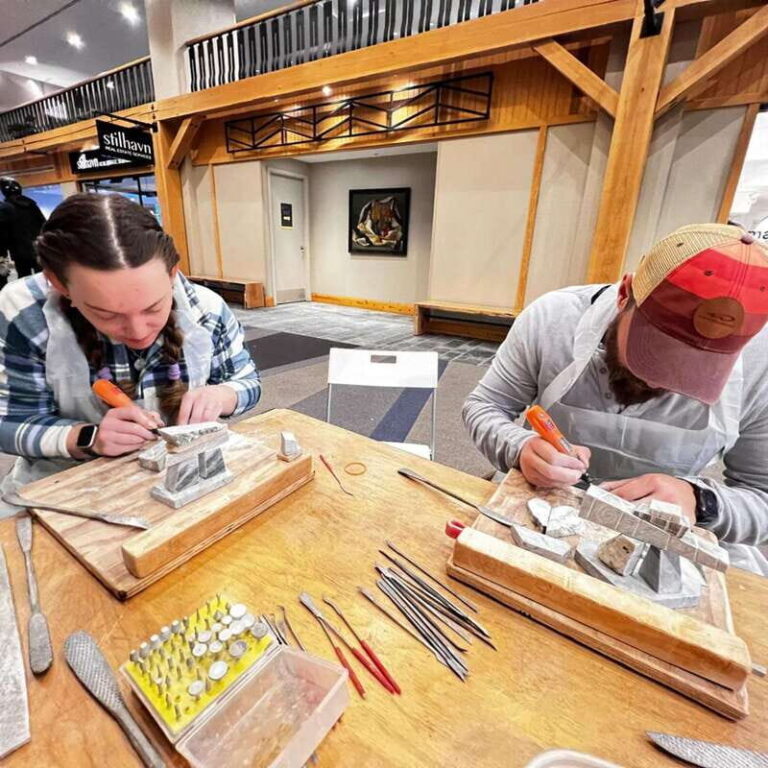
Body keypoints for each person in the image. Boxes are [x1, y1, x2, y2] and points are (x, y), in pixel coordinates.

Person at [463, 223, 768, 574]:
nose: (661, 380)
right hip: (546, 508)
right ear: (625, 294)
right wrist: (519, 446)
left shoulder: (760, 366)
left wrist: (702, 501)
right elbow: (484, 406)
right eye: (656, 350)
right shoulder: (554, 319)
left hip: (663, 543)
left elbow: (761, 495)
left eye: (695, 369)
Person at [0, 193, 261, 513]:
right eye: (107, 314)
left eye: (154, 307)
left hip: (179, 477)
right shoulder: (24, 311)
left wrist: (222, 395)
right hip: (66, 488)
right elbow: (9, 424)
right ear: (59, 284)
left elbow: (247, 380)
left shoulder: (205, 308)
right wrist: (86, 437)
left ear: (171, 273)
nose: (139, 332)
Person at [0, 176, 46, 278]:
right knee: (42, 278)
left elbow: (4, 234)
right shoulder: (31, 204)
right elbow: (44, 224)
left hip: (19, 251)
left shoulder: (5, 208)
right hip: (37, 247)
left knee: (24, 279)